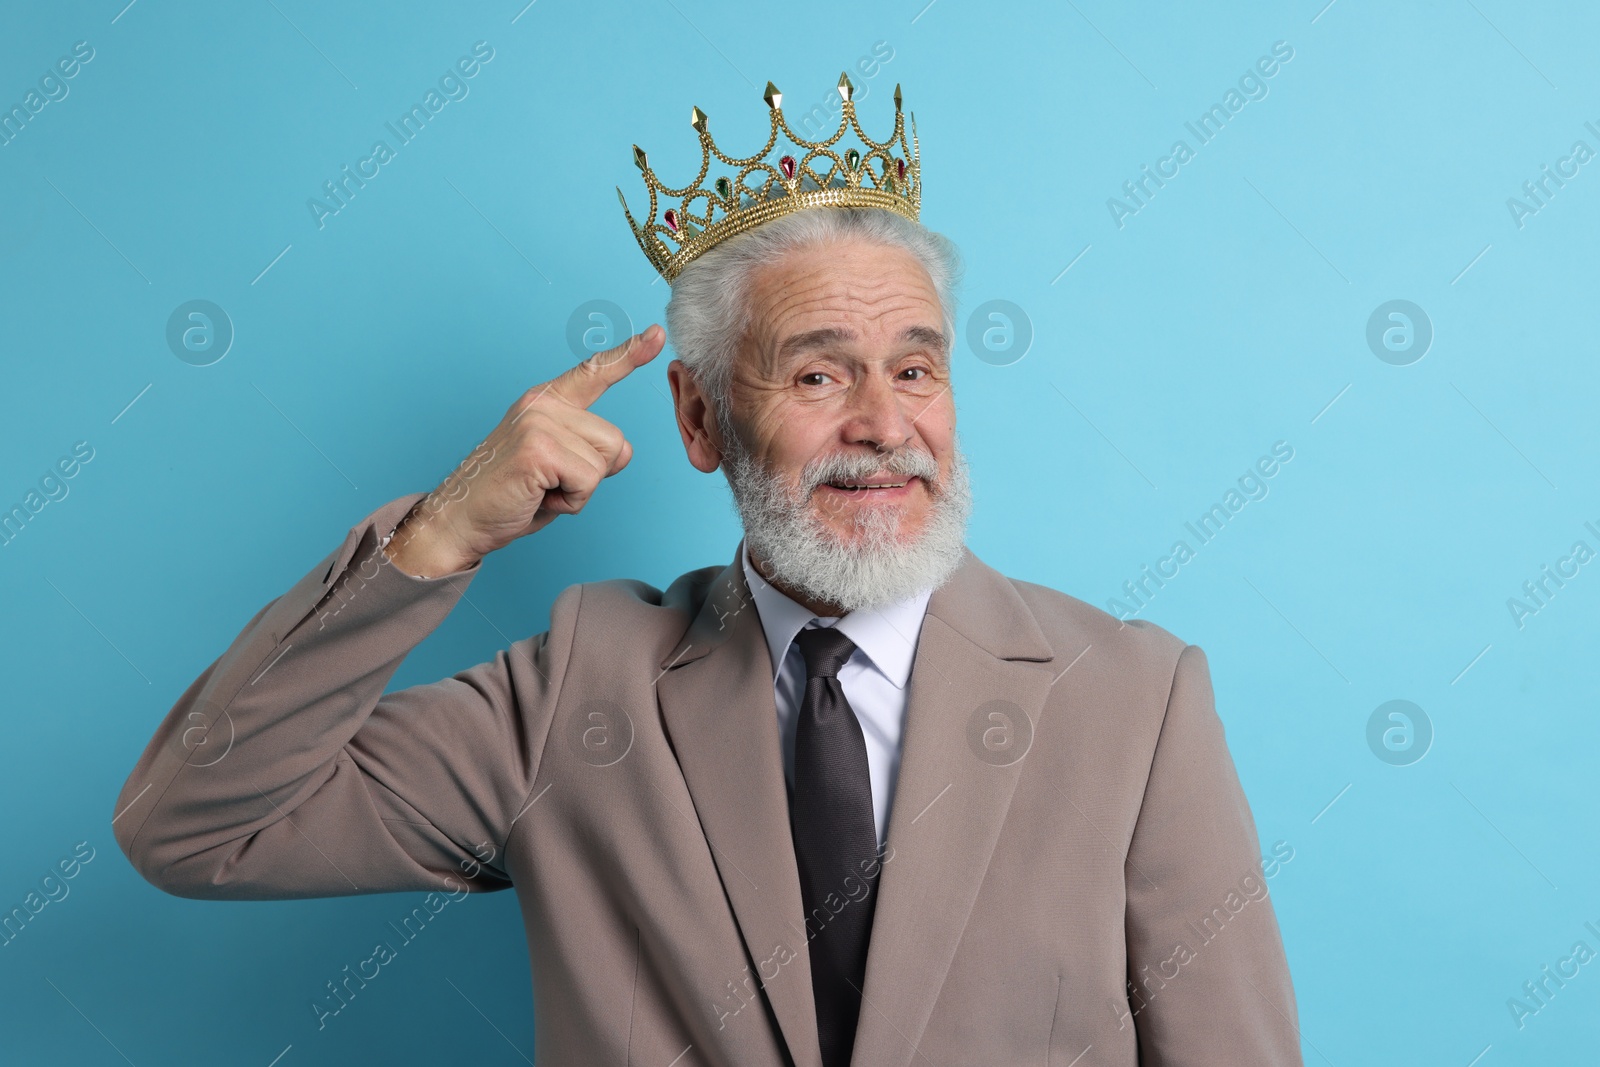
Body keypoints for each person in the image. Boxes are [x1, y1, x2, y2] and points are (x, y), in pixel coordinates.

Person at [113, 75, 1302, 1066]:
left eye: (918, 369)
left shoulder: (1133, 701)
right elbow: (196, 826)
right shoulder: (572, 695)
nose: (886, 426)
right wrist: (434, 540)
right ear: (698, 419)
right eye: (819, 375)